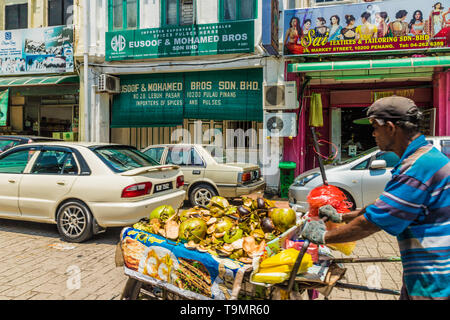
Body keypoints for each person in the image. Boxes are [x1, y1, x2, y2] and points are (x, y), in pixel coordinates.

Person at [301, 96, 450, 300]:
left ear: (390, 127)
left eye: (374, 127)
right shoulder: (425, 157)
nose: (373, 134)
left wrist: (323, 237)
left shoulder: (417, 169)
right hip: (428, 272)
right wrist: (342, 216)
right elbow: (385, 206)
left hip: (434, 281)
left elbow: (371, 223)